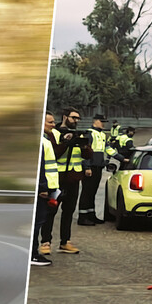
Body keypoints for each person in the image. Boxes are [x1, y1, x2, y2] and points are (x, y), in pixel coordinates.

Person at [39, 107, 91, 255]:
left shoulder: (78, 134)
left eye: (78, 118)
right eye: (73, 117)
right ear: (65, 117)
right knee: (50, 211)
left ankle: (65, 242)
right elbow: (54, 153)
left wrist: (84, 146)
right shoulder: (52, 134)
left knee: (69, 212)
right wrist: (67, 142)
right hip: (57, 180)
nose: (76, 121)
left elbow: (88, 156)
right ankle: (45, 242)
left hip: (74, 180)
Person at [78, 113, 116, 226]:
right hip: (90, 168)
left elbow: (106, 149)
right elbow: (84, 151)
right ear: (95, 121)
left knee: (93, 192)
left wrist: (121, 158)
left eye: (104, 122)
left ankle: (91, 215)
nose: (103, 124)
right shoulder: (89, 133)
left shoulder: (102, 135)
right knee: (87, 191)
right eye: (102, 122)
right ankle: (82, 217)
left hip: (98, 167)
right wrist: (87, 166)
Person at [32, 112, 59, 266]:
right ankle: (33, 255)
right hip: (42, 188)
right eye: (50, 122)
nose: (53, 125)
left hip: (47, 187)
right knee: (37, 221)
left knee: (39, 221)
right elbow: (40, 167)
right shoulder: (42, 142)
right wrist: (43, 187)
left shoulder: (45, 140)